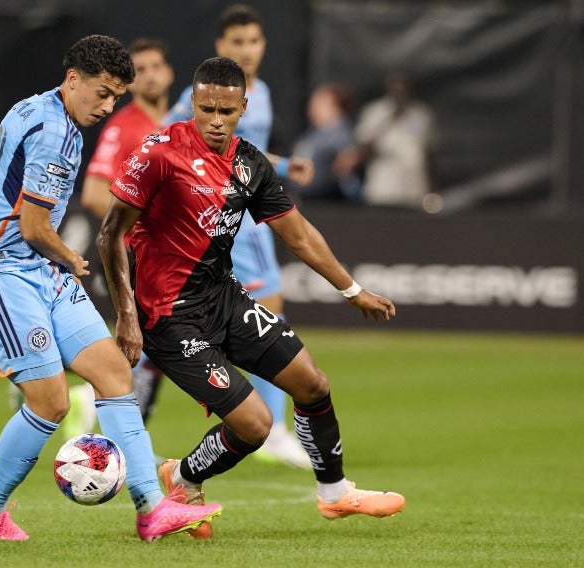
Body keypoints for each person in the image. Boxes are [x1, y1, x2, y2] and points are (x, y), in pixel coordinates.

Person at [97, 56, 406, 538]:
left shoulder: (249, 163)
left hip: (224, 299)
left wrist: (351, 289)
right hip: (169, 317)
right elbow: (109, 235)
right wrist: (126, 315)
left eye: (227, 111)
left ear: (243, 107)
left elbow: (297, 234)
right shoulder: (158, 153)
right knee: (255, 426)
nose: (216, 121)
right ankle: (184, 479)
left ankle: (334, 494)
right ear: (193, 104)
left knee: (312, 383)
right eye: (206, 109)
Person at [0, 35, 221, 542]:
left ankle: (151, 509)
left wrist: (57, 261)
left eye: (116, 96)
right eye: (102, 92)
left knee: (115, 373)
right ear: (73, 79)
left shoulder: (46, 112)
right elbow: (34, 227)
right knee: (51, 402)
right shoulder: (55, 130)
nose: (107, 106)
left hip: (35, 270)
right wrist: (72, 258)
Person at [163, 3, 312, 469]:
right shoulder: (204, 96)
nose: (247, 50)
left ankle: (99, 393)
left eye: (253, 41)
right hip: (228, 219)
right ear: (220, 46)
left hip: (249, 213)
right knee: (267, 307)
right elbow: (172, 136)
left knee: (215, 315)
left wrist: (281, 167)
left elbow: (245, 150)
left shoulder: (259, 93)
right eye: (237, 42)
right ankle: (275, 429)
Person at [47, 38, 175, 439]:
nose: (150, 75)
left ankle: (98, 408)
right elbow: (93, 193)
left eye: (156, 66)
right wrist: (146, 223)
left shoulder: (177, 125)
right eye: (142, 69)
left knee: (160, 344)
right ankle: (103, 413)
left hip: (168, 256)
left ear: (170, 73)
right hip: (137, 253)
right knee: (160, 341)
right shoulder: (123, 126)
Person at [334, 70, 438, 209]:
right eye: (395, 87)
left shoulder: (422, 115)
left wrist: (434, 188)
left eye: (403, 87)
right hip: (383, 189)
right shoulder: (375, 112)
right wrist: (388, 122)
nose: (399, 92)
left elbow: (430, 153)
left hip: (414, 189)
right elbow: (362, 149)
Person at [287, 82, 361, 203]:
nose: (312, 108)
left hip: (326, 201)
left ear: (335, 107)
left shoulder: (341, 133)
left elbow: (349, 159)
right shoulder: (312, 133)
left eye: (319, 103)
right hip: (303, 198)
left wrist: (344, 165)